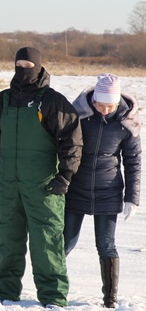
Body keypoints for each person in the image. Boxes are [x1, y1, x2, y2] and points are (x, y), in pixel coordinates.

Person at [0, 47, 83, 307]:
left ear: (38, 67)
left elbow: (72, 140)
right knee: (7, 240)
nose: (23, 69)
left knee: (46, 243)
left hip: (44, 186)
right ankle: (4, 291)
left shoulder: (51, 101)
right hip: (9, 185)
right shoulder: (1, 100)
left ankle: (53, 297)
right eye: (19, 64)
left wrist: (65, 175)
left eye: (28, 65)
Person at [64, 73, 141, 308]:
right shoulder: (78, 117)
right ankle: (53, 289)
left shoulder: (127, 123)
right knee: (65, 242)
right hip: (77, 188)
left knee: (106, 244)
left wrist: (132, 198)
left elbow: (133, 161)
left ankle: (110, 298)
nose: (105, 110)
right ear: (94, 100)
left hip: (108, 192)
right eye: (101, 105)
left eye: (111, 106)